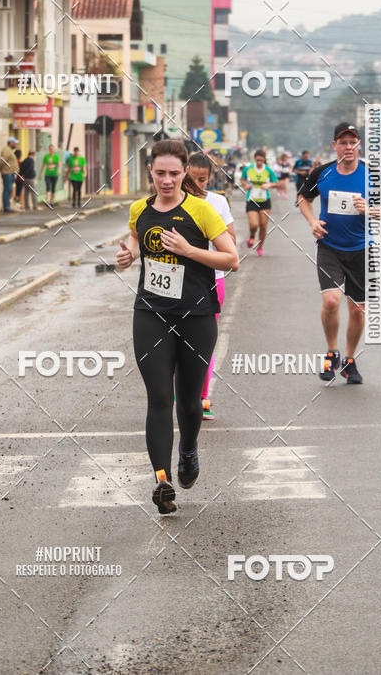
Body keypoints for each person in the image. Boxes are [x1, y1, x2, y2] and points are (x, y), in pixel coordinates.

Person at [116, 140, 239, 515]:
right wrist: (128, 256)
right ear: (149, 172)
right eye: (160, 173)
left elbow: (231, 258)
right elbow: (138, 243)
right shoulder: (139, 209)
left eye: (174, 173)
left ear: (185, 172)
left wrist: (189, 251)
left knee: (188, 402)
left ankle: (188, 449)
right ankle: (162, 480)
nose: (166, 180)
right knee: (159, 398)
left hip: (197, 316)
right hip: (151, 312)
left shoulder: (202, 211)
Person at [297, 122, 381, 386]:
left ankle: (349, 361)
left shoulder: (372, 174)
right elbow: (303, 198)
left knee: (358, 310)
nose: (348, 147)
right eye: (343, 142)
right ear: (334, 145)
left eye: (353, 142)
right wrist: (312, 222)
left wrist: (370, 210)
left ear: (358, 145)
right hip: (330, 247)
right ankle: (331, 352)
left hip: (362, 249)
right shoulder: (322, 173)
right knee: (332, 301)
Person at [188, 151, 236, 421]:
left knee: (204, 342)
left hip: (211, 280)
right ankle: (183, 390)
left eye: (203, 180)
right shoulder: (174, 201)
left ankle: (202, 398)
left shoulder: (218, 202)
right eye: (191, 180)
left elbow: (231, 239)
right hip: (177, 282)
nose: (197, 186)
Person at [241, 149, 282, 257]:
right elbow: (242, 179)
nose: (259, 162)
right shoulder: (248, 169)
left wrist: (269, 185)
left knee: (263, 225)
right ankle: (252, 236)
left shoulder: (268, 170)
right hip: (252, 200)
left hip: (265, 200)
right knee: (254, 224)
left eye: (261, 160)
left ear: (264, 160)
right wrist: (246, 185)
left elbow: (277, 183)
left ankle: (260, 247)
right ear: (254, 159)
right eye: (257, 160)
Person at [0, 137, 19, 212]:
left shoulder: (9, 150)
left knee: (9, 190)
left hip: (10, 173)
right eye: (14, 142)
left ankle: (7, 206)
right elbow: (3, 160)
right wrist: (0, 168)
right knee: (8, 189)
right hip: (7, 173)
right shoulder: (6, 150)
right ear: (11, 143)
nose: (15, 144)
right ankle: (6, 207)